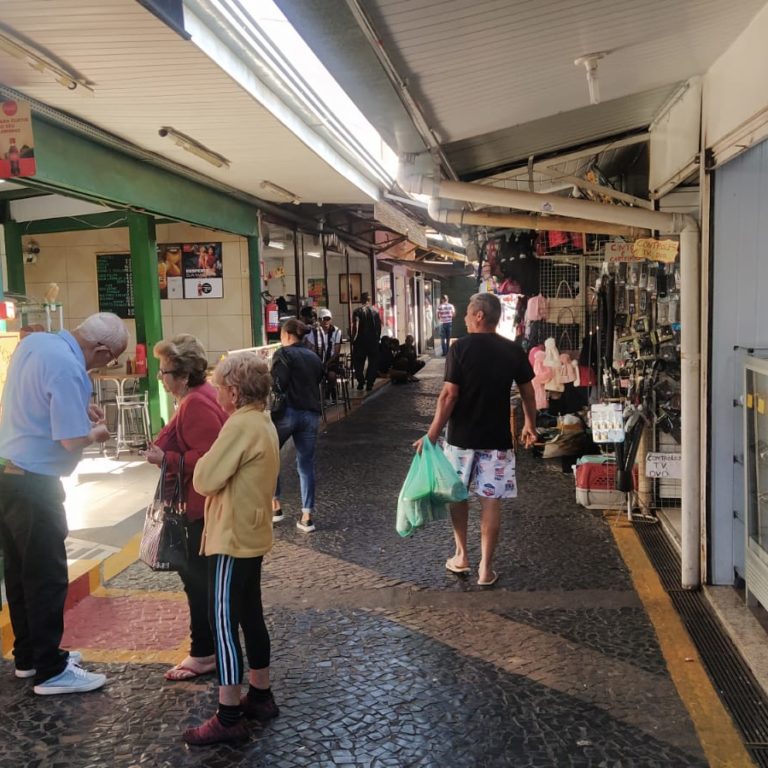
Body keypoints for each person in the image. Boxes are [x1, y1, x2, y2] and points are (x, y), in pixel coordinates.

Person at [0, 312, 128, 694]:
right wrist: (98, 432)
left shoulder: (37, 344)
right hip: (36, 485)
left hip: (7, 473)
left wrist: (77, 412)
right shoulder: (70, 368)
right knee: (47, 577)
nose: (106, 366)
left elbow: (39, 404)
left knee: (20, 573)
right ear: (102, 349)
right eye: (111, 358)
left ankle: (29, 657)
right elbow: (71, 440)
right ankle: (51, 671)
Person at [184, 352, 280, 746]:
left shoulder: (238, 426)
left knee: (222, 622)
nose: (218, 392)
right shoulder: (262, 421)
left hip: (231, 537)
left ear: (235, 392)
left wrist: (205, 459)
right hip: (251, 532)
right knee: (250, 614)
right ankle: (259, 693)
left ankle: (227, 715)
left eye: (221, 387)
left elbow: (205, 479)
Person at [416, 293, 537, 587]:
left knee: (458, 495)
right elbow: (528, 392)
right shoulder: (513, 350)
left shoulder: (461, 349)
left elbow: (449, 395)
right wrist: (530, 424)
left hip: (460, 438)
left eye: (469, 314)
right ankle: (486, 568)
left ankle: (461, 556)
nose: (467, 319)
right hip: (497, 438)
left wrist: (431, 434)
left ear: (480, 315)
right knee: (491, 501)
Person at [143, 334, 228, 681]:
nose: (160, 378)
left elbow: (209, 456)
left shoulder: (194, 403)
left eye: (163, 372)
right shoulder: (199, 397)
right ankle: (209, 649)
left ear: (180, 374)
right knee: (201, 582)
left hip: (198, 508)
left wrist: (168, 459)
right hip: (202, 507)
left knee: (197, 583)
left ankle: (204, 652)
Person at [271, 318, 323, 532]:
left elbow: (277, 383)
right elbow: (318, 380)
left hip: (287, 412)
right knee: (306, 465)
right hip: (310, 413)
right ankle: (307, 515)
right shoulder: (313, 356)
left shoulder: (283, 354)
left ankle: (275, 507)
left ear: (288, 335)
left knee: (271, 457)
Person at [307, 308, 343, 402]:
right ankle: (320, 398)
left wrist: (326, 363)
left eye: (328, 318)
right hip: (318, 361)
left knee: (331, 375)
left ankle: (328, 393)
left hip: (331, 361)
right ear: (319, 320)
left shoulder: (337, 331)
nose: (326, 321)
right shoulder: (315, 331)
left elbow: (336, 352)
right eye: (324, 319)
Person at [351, 292, 381, 391]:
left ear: (361, 300)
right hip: (372, 341)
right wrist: (377, 339)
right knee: (373, 362)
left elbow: (355, 327)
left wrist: (352, 338)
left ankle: (361, 381)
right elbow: (378, 328)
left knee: (359, 362)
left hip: (360, 341)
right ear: (369, 300)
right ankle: (370, 383)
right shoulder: (375, 311)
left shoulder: (357, 311)